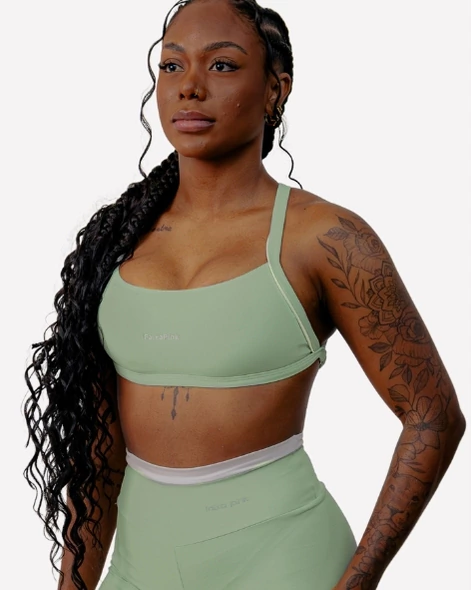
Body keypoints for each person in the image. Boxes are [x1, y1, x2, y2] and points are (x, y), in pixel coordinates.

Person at [23, 0, 466, 589]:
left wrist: (357, 582)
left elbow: (433, 416)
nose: (190, 87)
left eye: (223, 65)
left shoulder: (325, 239)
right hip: (139, 566)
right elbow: (99, 454)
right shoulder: (117, 240)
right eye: (172, 66)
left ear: (275, 90)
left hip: (283, 561)